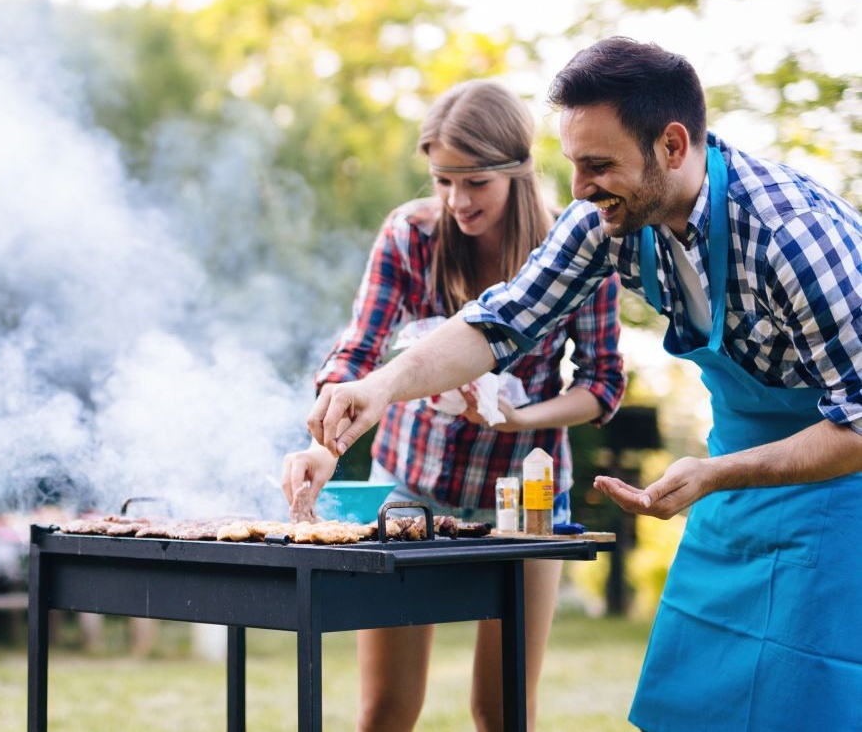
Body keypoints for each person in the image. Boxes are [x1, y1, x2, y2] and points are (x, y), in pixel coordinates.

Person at [307, 37, 862, 732]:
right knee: (694, 707)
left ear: (671, 145)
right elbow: (499, 322)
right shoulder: (609, 224)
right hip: (734, 480)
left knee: (803, 704)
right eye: (573, 163)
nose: (578, 187)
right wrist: (382, 387)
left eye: (598, 165)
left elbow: (859, 422)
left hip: (839, 491)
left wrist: (718, 473)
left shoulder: (793, 239)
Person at [281, 80, 625, 732]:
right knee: (385, 710)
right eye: (443, 180)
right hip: (413, 488)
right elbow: (360, 349)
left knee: (502, 710)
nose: (456, 201)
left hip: (526, 499)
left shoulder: (577, 248)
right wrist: (323, 445)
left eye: (474, 183)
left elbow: (603, 385)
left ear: (517, 172)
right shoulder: (410, 234)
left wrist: (520, 417)